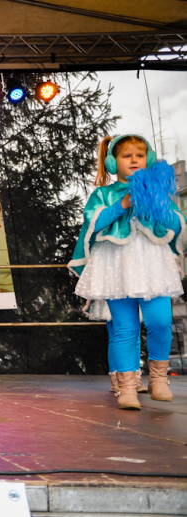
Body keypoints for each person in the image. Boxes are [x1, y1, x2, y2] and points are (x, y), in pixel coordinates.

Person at [69, 135, 184, 410]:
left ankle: (159, 381)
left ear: (149, 160)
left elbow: (177, 224)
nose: (134, 160)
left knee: (160, 322)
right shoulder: (103, 193)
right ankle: (128, 387)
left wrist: (152, 202)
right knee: (125, 329)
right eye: (126, 155)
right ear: (112, 162)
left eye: (140, 155)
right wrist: (125, 203)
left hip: (151, 264)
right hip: (116, 264)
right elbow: (93, 224)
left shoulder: (159, 192)